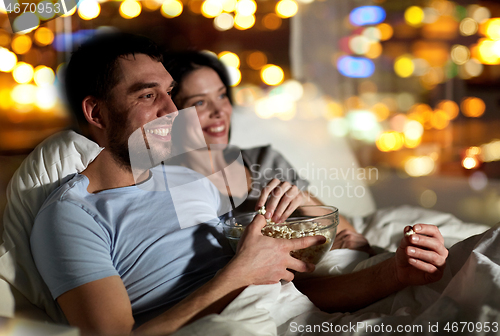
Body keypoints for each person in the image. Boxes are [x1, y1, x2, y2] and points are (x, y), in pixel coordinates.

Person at [30, 32, 448, 336]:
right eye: (146, 96)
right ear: (96, 114)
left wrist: (395, 273)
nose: (173, 112)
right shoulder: (71, 215)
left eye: (171, 94)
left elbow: (290, 285)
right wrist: (243, 268)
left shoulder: (187, 178)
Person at [164, 51, 372, 253]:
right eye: (199, 102)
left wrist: (304, 198)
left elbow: (350, 238)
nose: (219, 112)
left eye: (221, 95)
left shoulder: (264, 160)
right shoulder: (171, 187)